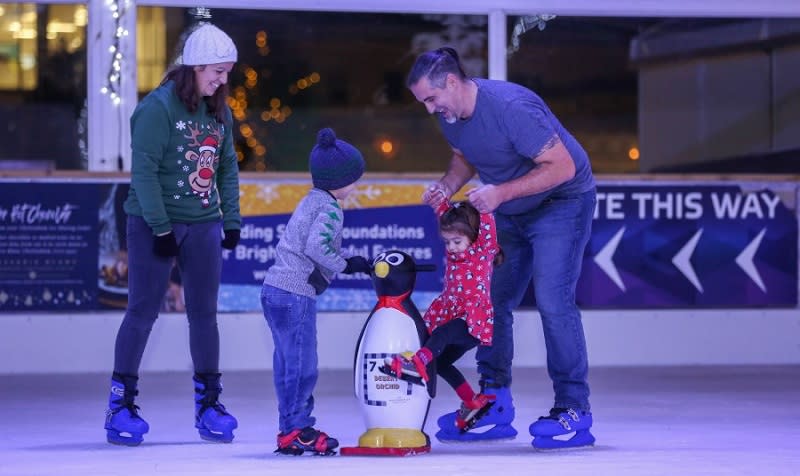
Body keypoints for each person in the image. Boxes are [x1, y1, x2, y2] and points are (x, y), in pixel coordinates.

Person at [407, 46, 597, 449]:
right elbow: (464, 158)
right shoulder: (452, 116)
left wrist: (500, 193)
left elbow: (562, 167)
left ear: (453, 83)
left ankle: (573, 408)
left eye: (431, 98)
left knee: (552, 298)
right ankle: (493, 400)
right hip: (508, 206)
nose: (429, 109)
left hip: (561, 202)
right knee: (490, 301)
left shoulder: (511, 107)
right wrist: (447, 185)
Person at [104, 23, 241, 447]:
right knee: (142, 312)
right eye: (217, 71)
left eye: (226, 72)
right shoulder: (157, 109)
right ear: (194, 67)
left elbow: (227, 167)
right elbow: (142, 174)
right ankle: (119, 407)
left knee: (204, 315)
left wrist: (230, 219)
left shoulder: (219, 110)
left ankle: (209, 405)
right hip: (152, 224)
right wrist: (161, 228)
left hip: (202, 224)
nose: (222, 80)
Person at [261, 127, 372, 456]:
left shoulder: (311, 199)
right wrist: (346, 264)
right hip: (294, 294)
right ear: (341, 179)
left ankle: (289, 428)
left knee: (287, 364)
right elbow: (316, 246)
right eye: (355, 178)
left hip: (274, 290)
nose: (357, 185)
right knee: (302, 365)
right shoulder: (330, 207)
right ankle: (297, 428)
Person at [382, 197, 502, 433]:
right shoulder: (454, 253)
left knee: (442, 334)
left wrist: (483, 207)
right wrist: (439, 200)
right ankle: (472, 401)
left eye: (457, 241)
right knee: (441, 361)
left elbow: (485, 225)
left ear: (474, 236)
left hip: (472, 319)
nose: (451, 247)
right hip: (455, 314)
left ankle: (418, 362)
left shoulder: (481, 250)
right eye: (447, 242)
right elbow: (447, 216)